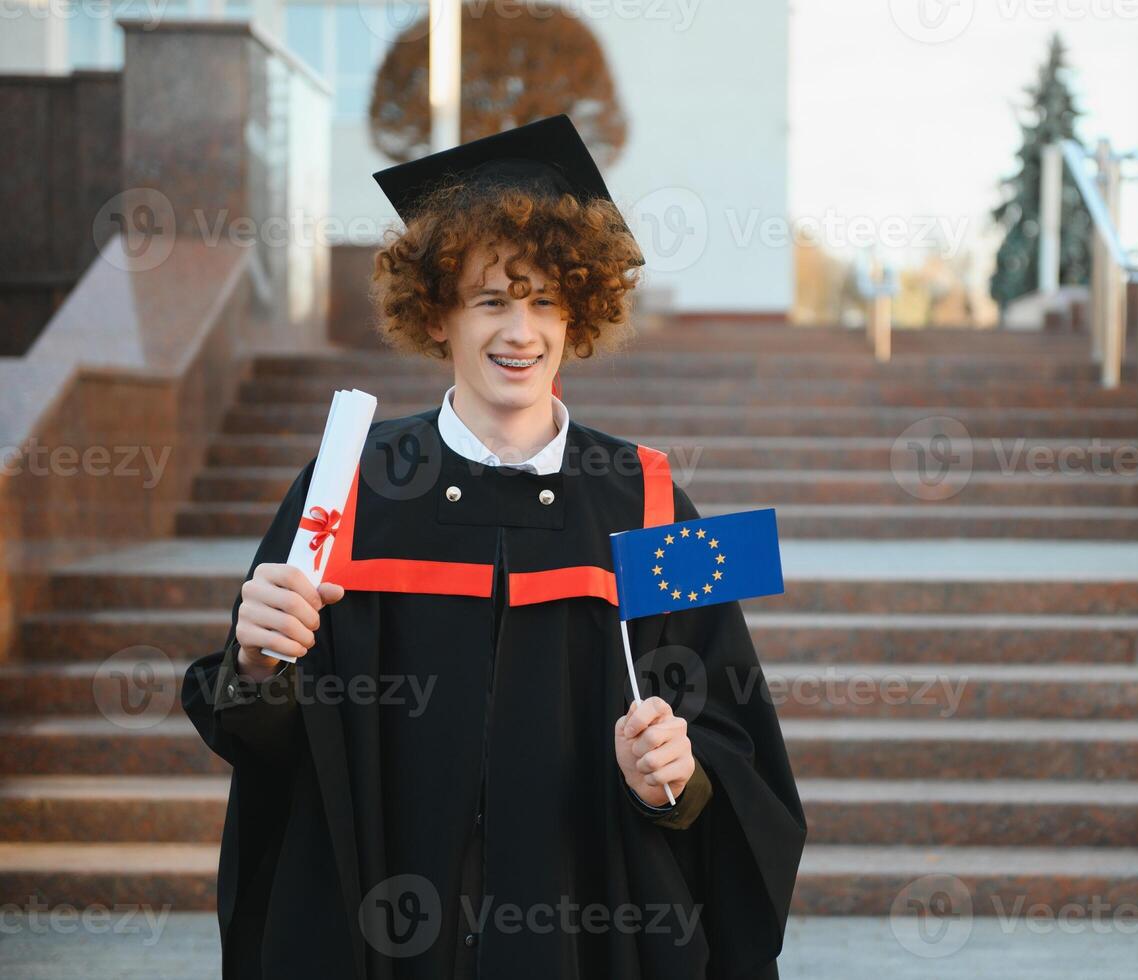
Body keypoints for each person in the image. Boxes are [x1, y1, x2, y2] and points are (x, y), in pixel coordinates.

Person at [181, 114, 806, 980]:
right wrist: (254, 667)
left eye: (546, 299)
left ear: (579, 313)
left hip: (584, 941)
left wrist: (675, 777)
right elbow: (272, 747)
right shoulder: (349, 487)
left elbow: (735, 744)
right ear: (438, 315)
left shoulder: (653, 498)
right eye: (490, 300)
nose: (521, 331)